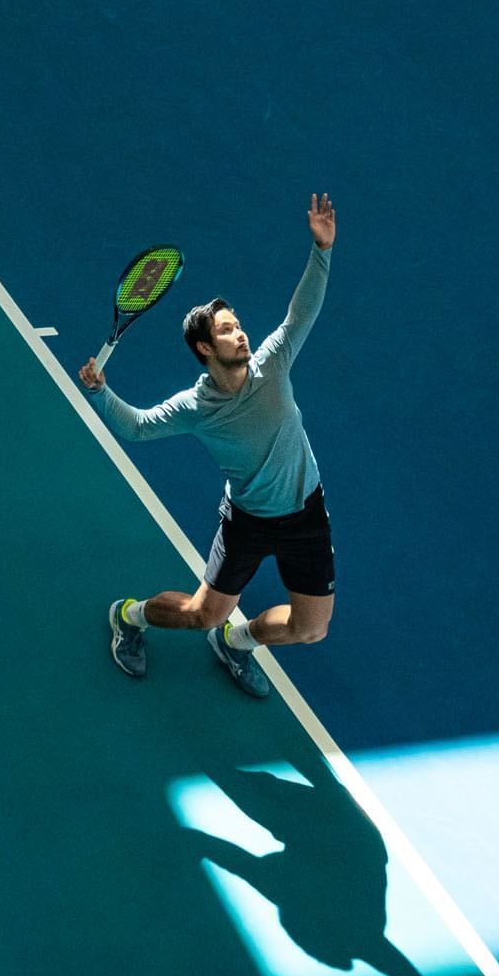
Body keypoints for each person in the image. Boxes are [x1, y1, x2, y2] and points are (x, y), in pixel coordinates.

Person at [79, 194, 336, 697]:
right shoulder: (195, 407)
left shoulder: (273, 363)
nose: (241, 335)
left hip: (306, 513)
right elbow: (136, 427)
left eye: (238, 326)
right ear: (204, 348)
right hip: (248, 523)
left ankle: (237, 643)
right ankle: (128, 616)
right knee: (201, 615)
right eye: (227, 330)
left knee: (310, 628)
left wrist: (321, 250)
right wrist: (100, 392)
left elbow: (300, 313)